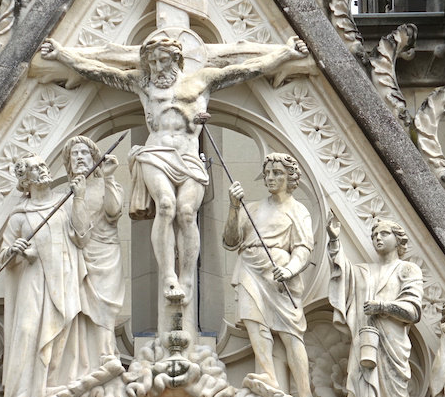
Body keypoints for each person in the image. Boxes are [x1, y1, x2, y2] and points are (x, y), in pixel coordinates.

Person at [41, 34, 309, 306]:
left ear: (177, 59)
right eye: (153, 61)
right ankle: (169, 275)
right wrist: (62, 54)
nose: (157, 67)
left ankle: (187, 277)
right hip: (155, 153)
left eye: (163, 60)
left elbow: (246, 69)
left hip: (189, 157)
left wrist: (285, 54)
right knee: (166, 205)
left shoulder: (201, 80)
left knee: (185, 212)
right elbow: (99, 71)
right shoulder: (142, 83)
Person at [327, 214, 423, 397]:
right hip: (365, 344)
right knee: (361, 387)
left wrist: (383, 307)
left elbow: (413, 310)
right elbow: (343, 275)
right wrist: (335, 241)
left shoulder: (407, 270)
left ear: (398, 238)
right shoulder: (364, 272)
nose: (377, 238)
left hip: (393, 347)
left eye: (383, 234)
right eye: (373, 235)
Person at [223, 154, 317, 397]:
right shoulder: (250, 209)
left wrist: (289, 270)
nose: (271, 178)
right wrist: (233, 207)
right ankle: (267, 375)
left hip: (278, 273)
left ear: (290, 178)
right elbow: (230, 241)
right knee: (255, 322)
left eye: (278, 173)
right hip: (249, 267)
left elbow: (303, 249)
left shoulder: (298, 211)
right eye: (268, 173)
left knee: (290, 333)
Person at [0, 153, 92, 397]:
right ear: (24, 179)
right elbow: (3, 255)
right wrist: (14, 251)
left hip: (64, 275)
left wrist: (81, 197)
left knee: (63, 329)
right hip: (34, 280)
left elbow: (82, 235)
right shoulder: (20, 215)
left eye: (42, 165)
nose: (42, 170)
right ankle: (24, 396)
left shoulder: (64, 203)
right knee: (28, 331)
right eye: (34, 168)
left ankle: (52, 386)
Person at [62, 135, 125, 362]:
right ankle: (86, 360)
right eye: (74, 154)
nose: (79, 157)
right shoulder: (67, 197)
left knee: (106, 306)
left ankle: (106, 353)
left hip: (107, 254)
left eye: (84, 153)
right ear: (68, 162)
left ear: (94, 157)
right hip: (81, 257)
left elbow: (113, 211)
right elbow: (80, 235)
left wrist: (108, 178)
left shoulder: (109, 184)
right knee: (82, 309)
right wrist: (78, 197)